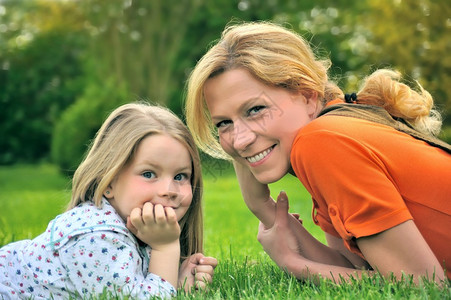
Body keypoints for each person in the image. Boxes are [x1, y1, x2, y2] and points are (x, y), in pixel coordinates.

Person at [184, 21, 451, 285]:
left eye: (255, 110)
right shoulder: (334, 128)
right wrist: (262, 206)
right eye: (223, 123)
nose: (240, 141)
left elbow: (421, 284)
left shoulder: (321, 142)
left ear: (308, 96)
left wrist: (294, 264)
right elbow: (353, 266)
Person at [0, 102, 218, 299]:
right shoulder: (97, 237)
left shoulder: (135, 230)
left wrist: (177, 280)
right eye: (149, 174)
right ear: (109, 182)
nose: (169, 190)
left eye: (180, 176)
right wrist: (166, 249)